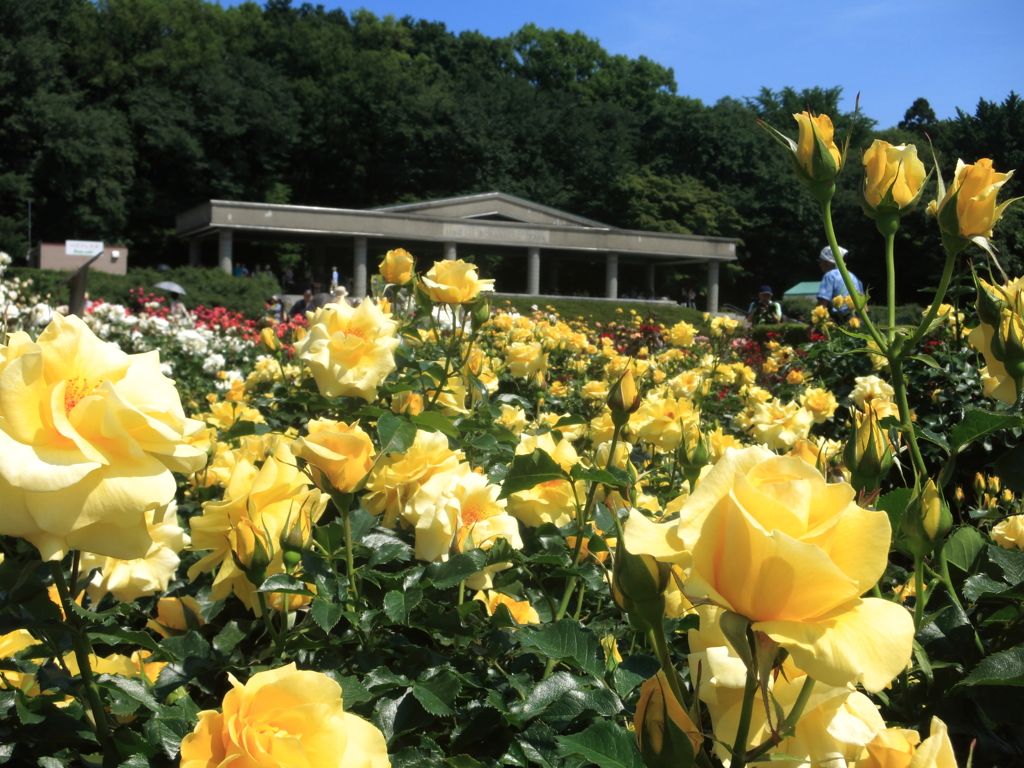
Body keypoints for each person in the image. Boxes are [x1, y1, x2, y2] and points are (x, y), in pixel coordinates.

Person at [816, 246, 864, 324]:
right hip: (857, 319)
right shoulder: (853, 277)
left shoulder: (830, 276)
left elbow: (823, 302)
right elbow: (863, 303)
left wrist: (814, 324)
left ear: (828, 262)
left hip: (839, 320)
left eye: (821, 261)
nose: (820, 265)